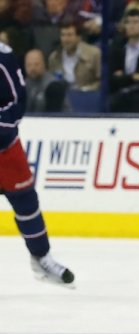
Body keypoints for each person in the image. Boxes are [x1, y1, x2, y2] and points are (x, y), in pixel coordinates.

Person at [0, 41, 74, 286]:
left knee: (26, 201)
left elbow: (17, 100)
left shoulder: (4, 56)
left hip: (4, 147)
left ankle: (41, 257)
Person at [47, 22, 101, 91]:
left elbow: (102, 81)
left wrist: (86, 90)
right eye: (63, 35)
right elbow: (51, 82)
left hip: (88, 97)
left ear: (79, 37)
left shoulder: (94, 54)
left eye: (69, 35)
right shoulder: (54, 57)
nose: (65, 39)